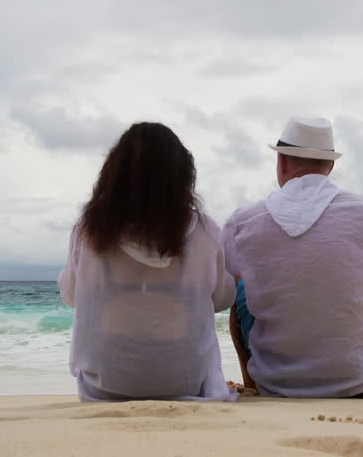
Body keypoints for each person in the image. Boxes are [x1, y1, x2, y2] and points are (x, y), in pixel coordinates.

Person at [223, 116, 363, 398]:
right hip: (362, 384)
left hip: (276, 384)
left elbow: (222, 276)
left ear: (282, 163)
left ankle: (254, 384)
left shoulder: (243, 221)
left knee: (240, 284)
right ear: (331, 166)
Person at [58, 122, 237, 402]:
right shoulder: (204, 230)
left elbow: (71, 296)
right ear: (182, 177)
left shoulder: (88, 229)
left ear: (114, 175)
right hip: (185, 381)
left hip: (103, 386)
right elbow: (223, 298)